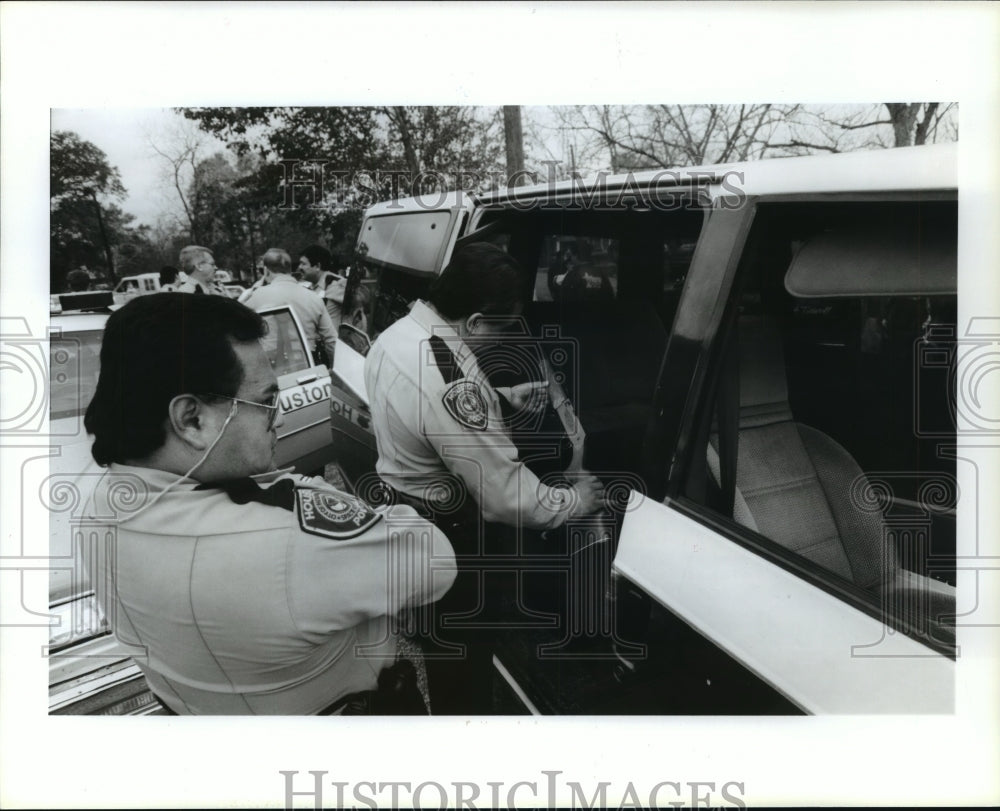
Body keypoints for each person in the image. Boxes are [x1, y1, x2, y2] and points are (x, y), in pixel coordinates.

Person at [81, 293, 456, 714]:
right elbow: (433, 558)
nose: (277, 417)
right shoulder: (287, 539)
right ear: (191, 419)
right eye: (264, 400)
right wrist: (298, 490)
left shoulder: (99, 507)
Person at [363, 242, 605, 713]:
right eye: (504, 325)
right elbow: (506, 496)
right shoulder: (454, 380)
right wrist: (575, 500)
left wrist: (497, 396)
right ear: (473, 322)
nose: (506, 337)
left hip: (408, 516)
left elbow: (427, 400)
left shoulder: (397, 335)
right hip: (452, 537)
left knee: (440, 643)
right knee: (464, 663)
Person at [240, 247, 339, 366]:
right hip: (308, 365)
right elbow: (331, 341)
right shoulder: (314, 297)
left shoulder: (255, 297)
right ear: (289, 269)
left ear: (266, 271)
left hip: (272, 367)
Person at [298, 244, 349, 326]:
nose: (299, 267)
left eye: (303, 264)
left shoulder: (335, 284)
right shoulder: (313, 286)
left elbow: (356, 304)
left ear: (317, 266)